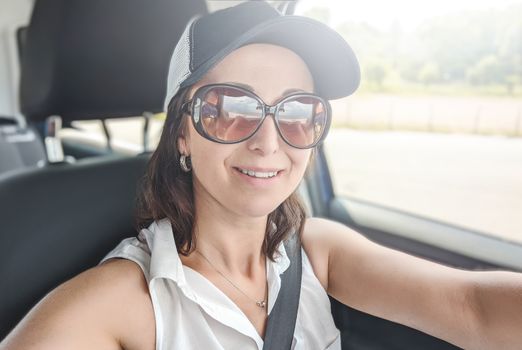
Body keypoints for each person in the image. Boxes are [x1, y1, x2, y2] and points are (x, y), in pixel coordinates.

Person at [2, 2, 522, 350]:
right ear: (182, 134)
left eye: (298, 112)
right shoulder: (127, 300)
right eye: (230, 107)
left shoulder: (318, 250)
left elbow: (471, 307)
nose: (268, 142)